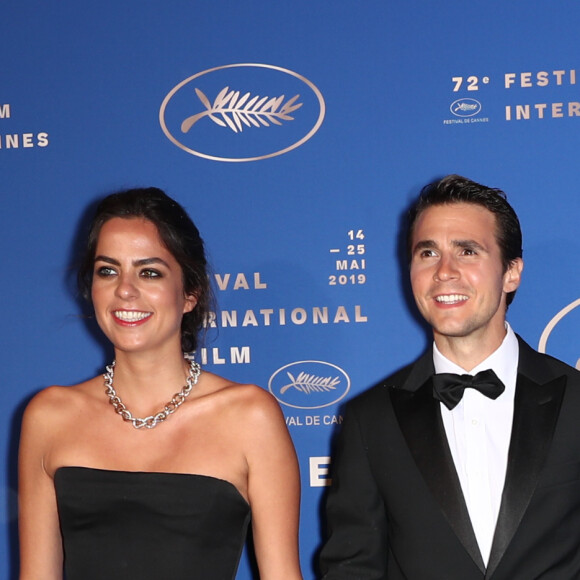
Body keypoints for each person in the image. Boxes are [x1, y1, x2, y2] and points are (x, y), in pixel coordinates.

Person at [19, 187, 302, 580]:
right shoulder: (50, 415)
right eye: (108, 270)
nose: (125, 290)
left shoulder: (249, 416)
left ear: (190, 293)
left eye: (149, 271)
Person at [319, 174, 580, 579]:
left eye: (467, 251)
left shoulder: (577, 402)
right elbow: (353, 568)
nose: (444, 271)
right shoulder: (370, 420)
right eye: (427, 253)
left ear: (511, 272)